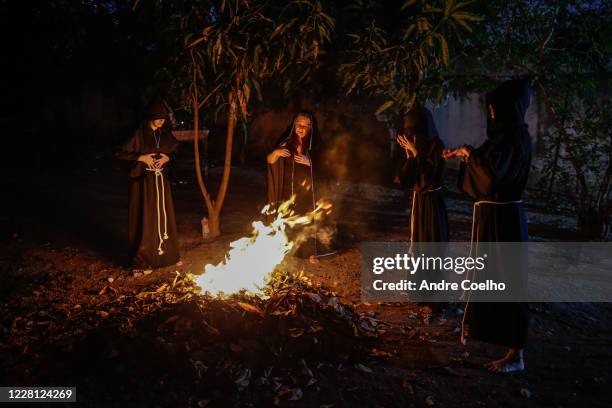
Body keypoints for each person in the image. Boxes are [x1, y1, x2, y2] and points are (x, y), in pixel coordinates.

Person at [442, 78, 533, 373]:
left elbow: (491, 177)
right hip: (493, 217)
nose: (490, 113)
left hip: (505, 219)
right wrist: (467, 153)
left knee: (511, 282)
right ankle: (492, 336)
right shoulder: (503, 137)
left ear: (507, 109)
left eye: (494, 108)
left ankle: (516, 355)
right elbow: (486, 168)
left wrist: (468, 154)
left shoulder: (514, 138)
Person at [116, 100, 181, 270]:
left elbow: (175, 150)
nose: (161, 121)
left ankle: (168, 256)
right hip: (144, 183)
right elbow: (121, 153)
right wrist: (142, 158)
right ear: (150, 117)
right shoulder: (138, 134)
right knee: (145, 218)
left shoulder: (164, 134)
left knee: (164, 217)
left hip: (161, 183)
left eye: (163, 119)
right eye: (158, 118)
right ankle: (143, 260)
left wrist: (168, 158)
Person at [267, 111, 323, 259]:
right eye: (299, 124)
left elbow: (326, 169)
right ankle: (285, 251)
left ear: (311, 128)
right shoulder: (286, 142)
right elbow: (270, 160)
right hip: (287, 192)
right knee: (287, 220)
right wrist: (277, 153)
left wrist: (310, 163)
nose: (301, 128)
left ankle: (310, 253)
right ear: (294, 125)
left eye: (305, 126)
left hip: (307, 194)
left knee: (307, 222)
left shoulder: (315, 147)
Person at [395, 106, 449, 244]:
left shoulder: (436, 146)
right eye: (407, 129)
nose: (410, 135)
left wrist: (416, 153)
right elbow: (404, 180)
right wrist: (410, 158)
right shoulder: (415, 145)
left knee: (431, 236)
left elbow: (428, 179)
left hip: (432, 201)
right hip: (419, 200)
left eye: (412, 130)